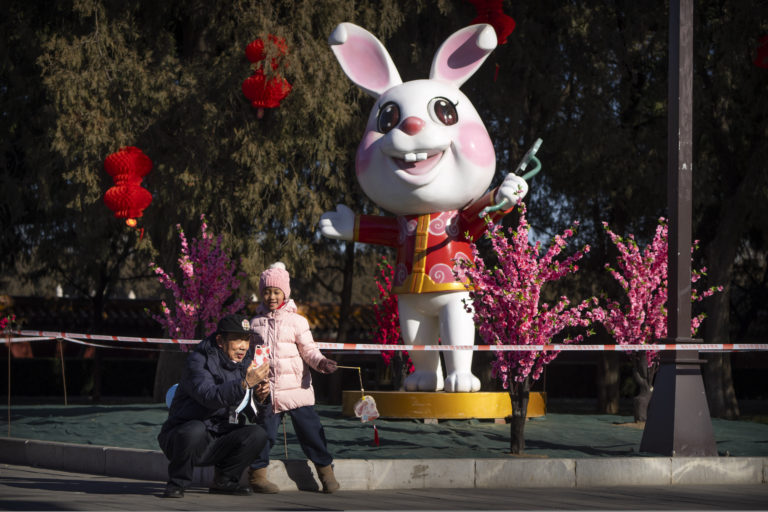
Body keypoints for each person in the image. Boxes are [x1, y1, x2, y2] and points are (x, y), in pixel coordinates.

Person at [247, 262, 340, 494]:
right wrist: (255, 380)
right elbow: (251, 356)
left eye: (276, 291)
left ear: (285, 293)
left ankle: (326, 473)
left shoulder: (298, 321)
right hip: (267, 390)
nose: (271, 296)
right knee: (263, 434)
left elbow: (309, 350)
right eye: (266, 291)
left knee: (311, 433)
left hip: (297, 389)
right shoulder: (255, 323)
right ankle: (257, 476)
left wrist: (321, 363)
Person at [157, 314, 270, 498]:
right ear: (220, 340)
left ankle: (225, 481)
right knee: (195, 429)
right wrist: (243, 385)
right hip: (183, 437)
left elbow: (255, 415)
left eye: (246, 339)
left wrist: (262, 398)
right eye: (236, 339)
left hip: (220, 435)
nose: (242, 346)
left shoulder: (247, 363)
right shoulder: (198, 361)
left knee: (257, 434)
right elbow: (209, 396)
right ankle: (176, 483)